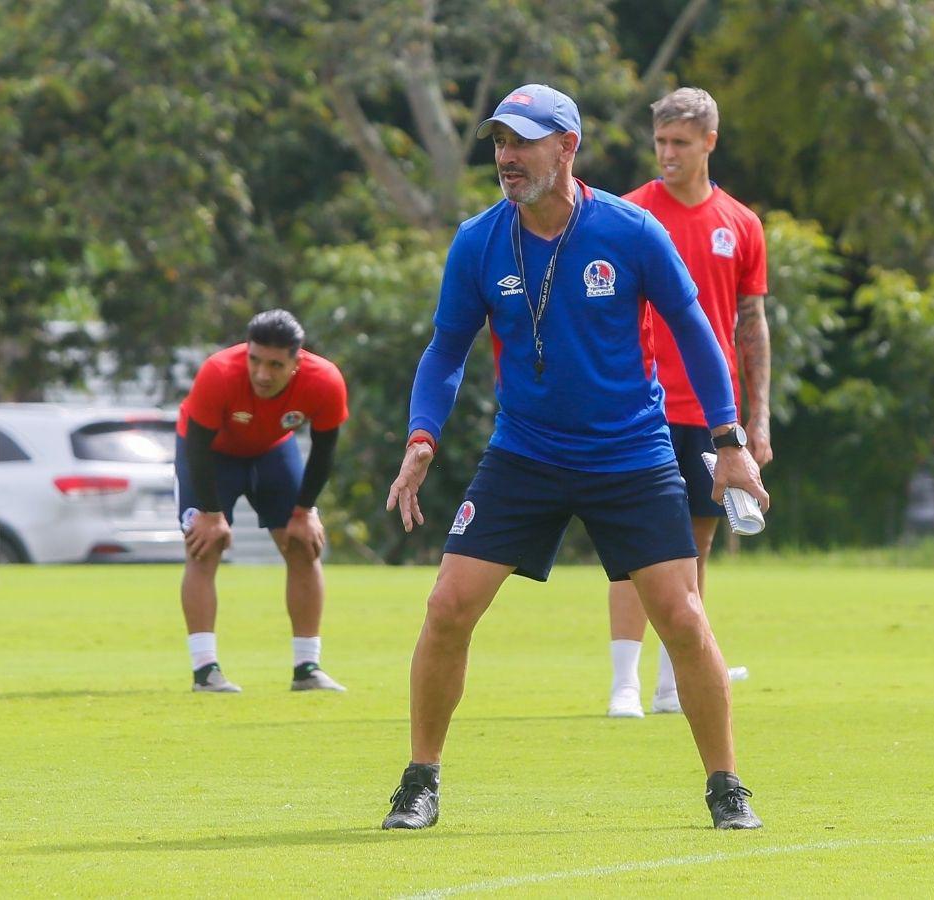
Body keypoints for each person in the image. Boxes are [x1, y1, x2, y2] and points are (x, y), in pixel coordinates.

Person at [381, 84, 770, 831]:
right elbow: (445, 351)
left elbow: (696, 332)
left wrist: (729, 443)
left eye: (523, 141)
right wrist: (422, 436)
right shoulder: (478, 241)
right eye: (498, 142)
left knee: (682, 617)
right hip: (524, 453)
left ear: (567, 147)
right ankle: (420, 780)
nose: (506, 157)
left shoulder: (631, 231)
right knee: (446, 605)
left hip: (630, 453)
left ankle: (727, 787)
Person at [607, 87, 771, 718]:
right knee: (632, 547)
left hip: (712, 414)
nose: (668, 154)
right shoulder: (628, 216)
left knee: (692, 548)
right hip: (639, 405)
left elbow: (750, 325)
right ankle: (624, 681)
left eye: (680, 142)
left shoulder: (741, 224)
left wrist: (758, 418)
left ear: (710, 141)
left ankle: (673, 682)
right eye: (660, 143)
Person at [175, 309, 349, 693]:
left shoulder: (325, 381)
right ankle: (206, 671)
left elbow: (324, 451)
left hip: (272, 449)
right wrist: (211, 513)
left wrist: (304, 512)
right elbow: (197, 447)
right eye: (255, 360)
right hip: (211, 454)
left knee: (303, 545)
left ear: (297, 361)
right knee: (205, 546)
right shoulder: (218, 372)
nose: (262, 374)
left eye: (275, 364)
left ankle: (308, 667)